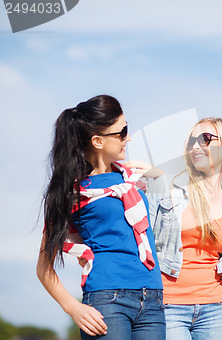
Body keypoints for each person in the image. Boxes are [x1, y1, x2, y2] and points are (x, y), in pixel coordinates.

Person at [36, 95, 165, 339]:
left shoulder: (133, 179)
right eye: (121, 132)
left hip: (153, 298)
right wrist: (73, 308)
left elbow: (181, 199)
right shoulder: (72, 192)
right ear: (97, 141)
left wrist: (157, 174)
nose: (128, 137)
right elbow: (43, 268)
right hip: (108, 299)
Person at [139, 117, 222, 340]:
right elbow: (142, 238)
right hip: (168, 306)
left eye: (205, 139)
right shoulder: (167, 186)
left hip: (215, 308)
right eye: (191, 141)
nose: (196, 146)